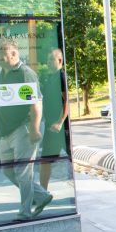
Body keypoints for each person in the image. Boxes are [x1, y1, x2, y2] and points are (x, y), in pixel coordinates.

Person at [0, 39, 52, 221]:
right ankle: (42, 196)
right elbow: (4, 101)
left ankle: (25, 213)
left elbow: (36, 103)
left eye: (2, 54)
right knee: (8, 170)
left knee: (23, 173)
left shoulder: (25, 73)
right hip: (6, 131)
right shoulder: (3, 72)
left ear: (14, 54)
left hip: (24, 128)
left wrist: (34, 128)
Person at [39, 48, 69, 190]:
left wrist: (60, 121)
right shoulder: (49, 78)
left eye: (51, 59)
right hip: (50, 127)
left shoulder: (62, 76)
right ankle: (43, 192)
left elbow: (67, 101)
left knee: (71, 157)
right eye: (48, 60)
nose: (48, 63)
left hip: (61, 128)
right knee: (45, 160)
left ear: (60, 60)